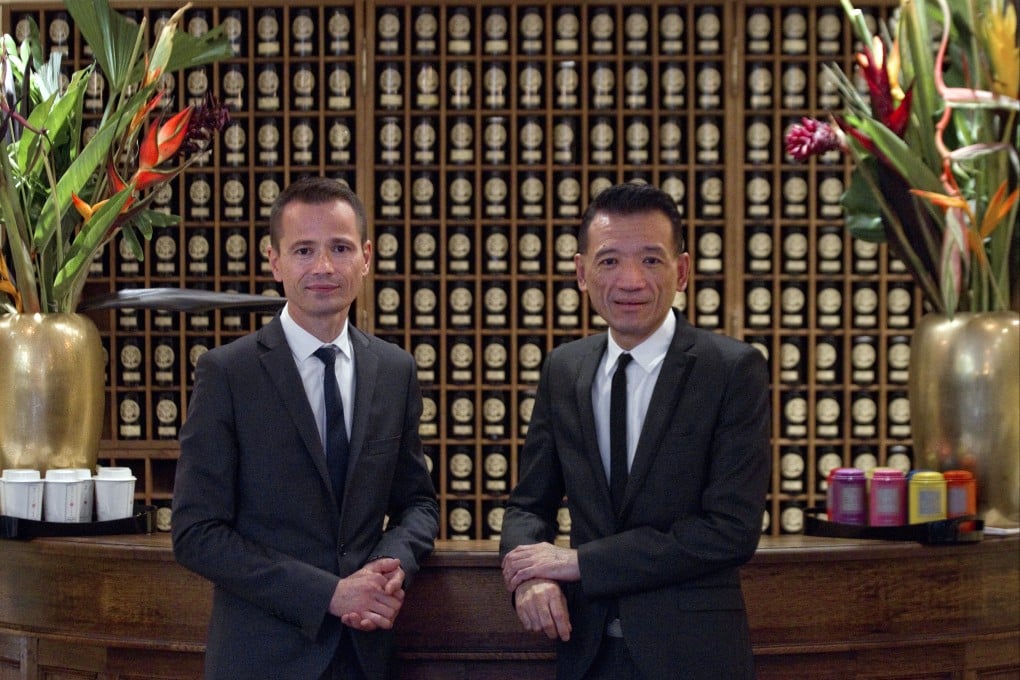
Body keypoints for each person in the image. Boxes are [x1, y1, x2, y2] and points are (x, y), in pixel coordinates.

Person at [499, 182, 770, 680]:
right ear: (581, 273)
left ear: (682, 271)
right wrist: (528, 579)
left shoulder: (732, 370)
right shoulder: (564, 369)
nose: (630, 281)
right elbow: (528, 504)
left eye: (651, 260)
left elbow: (730, 531)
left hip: (694, 656)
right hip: (585, 651)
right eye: (608, 262)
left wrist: (580, 562)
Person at [172, 176, 439, 680]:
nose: (323, 267)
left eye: (339, 248)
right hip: (263, 658)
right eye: (303, 250)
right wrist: (330, 595)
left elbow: (418, 504)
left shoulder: (394, 370)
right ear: (274, 261)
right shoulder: (228, 373)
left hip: (366, 656)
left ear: (365, 257)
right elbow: (196, 533)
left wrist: (389, 567)